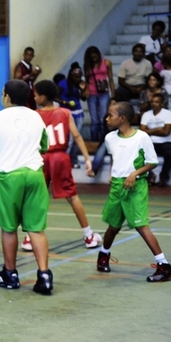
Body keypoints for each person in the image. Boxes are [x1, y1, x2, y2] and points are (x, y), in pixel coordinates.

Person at [0, 80, 53, 295]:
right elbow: (45, 147)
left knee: (9, 227)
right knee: (36, 228)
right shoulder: (36, 116)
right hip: (35, 175)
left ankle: (10, 274)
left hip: (10, 177)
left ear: (7, 97)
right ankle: (44, 276)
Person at [90, 102, 171, 282]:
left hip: (135, 186)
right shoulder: (110, 138)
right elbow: (115, 157)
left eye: (110, 115)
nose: (106, 119)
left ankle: (164, 266)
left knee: (140, 225)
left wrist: (134, 173)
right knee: (113, 226)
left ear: (122, 118)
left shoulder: (141, 137)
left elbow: (152, 162)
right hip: (117, 186)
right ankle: (103, 255)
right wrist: (112, 173)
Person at [19, 80, 102, 253]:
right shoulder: (65, 113)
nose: (34, 97)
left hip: (41, 158)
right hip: (60, 158)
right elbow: (77, 136)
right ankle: (88, 235)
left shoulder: (34, 115)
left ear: (44, 97)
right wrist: (87, 159)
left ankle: (28, 238)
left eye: (36, 95)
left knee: (36, 198)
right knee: (72, 196)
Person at [139, 93, 171, 187]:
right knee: (136, 154)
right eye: (152, 101)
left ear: (162, 104)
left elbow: (166, 132)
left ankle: (163, 177)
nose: (153, 104)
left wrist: (149, 131)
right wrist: (157, 129)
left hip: (165, 142)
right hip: (150, 142)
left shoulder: (168, 113)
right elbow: (142, 132)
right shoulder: (146, 114)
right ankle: (150, 175)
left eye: (156, 102)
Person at [57, 64, 86, 166]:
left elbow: (84, 98)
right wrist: (65, 102)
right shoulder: (63, 83)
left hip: (78, 112)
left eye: (79, 77)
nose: (77, 79)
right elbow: (55, 96)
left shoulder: (80, 83)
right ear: (71, 75)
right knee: (69, 138)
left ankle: (73, 159)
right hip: (67, 113)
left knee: (77, 137)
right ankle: (64, 160)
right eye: (75, 77)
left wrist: (83, 89)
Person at [84, 45, 115, 141]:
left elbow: (111, 79)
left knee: (103, 119)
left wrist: (113, 96)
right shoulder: (87, 65)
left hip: (104, 93)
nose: (93, 56)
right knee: (94, 120)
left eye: (95, 54)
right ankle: (94, 141)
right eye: (91, 55)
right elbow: (87, 80)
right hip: (91, 94)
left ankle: (102, 140)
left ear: (98, 54)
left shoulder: (106, 62)